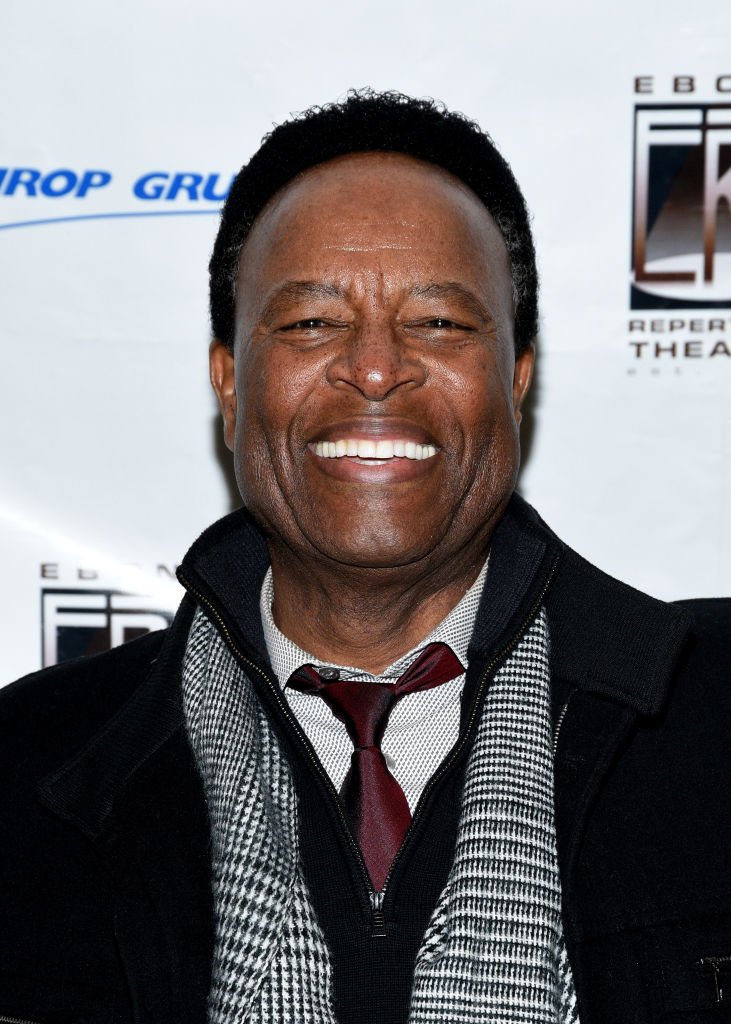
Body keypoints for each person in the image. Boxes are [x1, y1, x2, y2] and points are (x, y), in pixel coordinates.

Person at [1, 90, 729, 1024]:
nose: (376, 368)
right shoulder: (30, 773)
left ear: (516, 376)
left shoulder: (715, 718)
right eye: (310, 324)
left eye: (439, 323)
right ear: (228, 378)